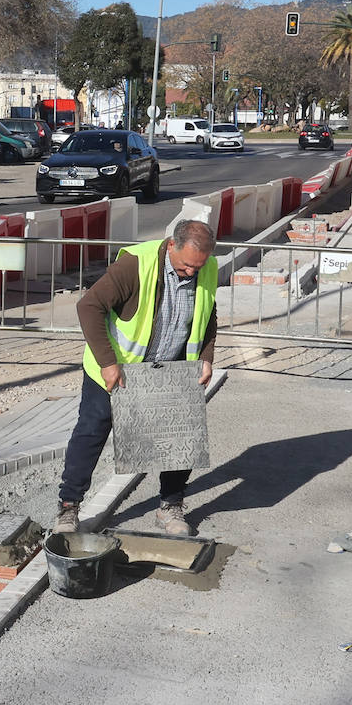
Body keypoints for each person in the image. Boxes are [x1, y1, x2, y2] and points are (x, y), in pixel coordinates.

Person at [53, 219, 219, 538]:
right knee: (91, 433)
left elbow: (209, 314)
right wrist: (107, 362)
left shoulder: (206, 266)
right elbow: (88, 306)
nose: (191, 273)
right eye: (186, 266)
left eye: (197, 267)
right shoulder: (136, 264)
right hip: (120, 370)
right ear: (171, 245)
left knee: (178, 441)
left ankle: (170, 506)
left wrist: (206, 359)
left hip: (173, 369)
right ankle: (69, 506)